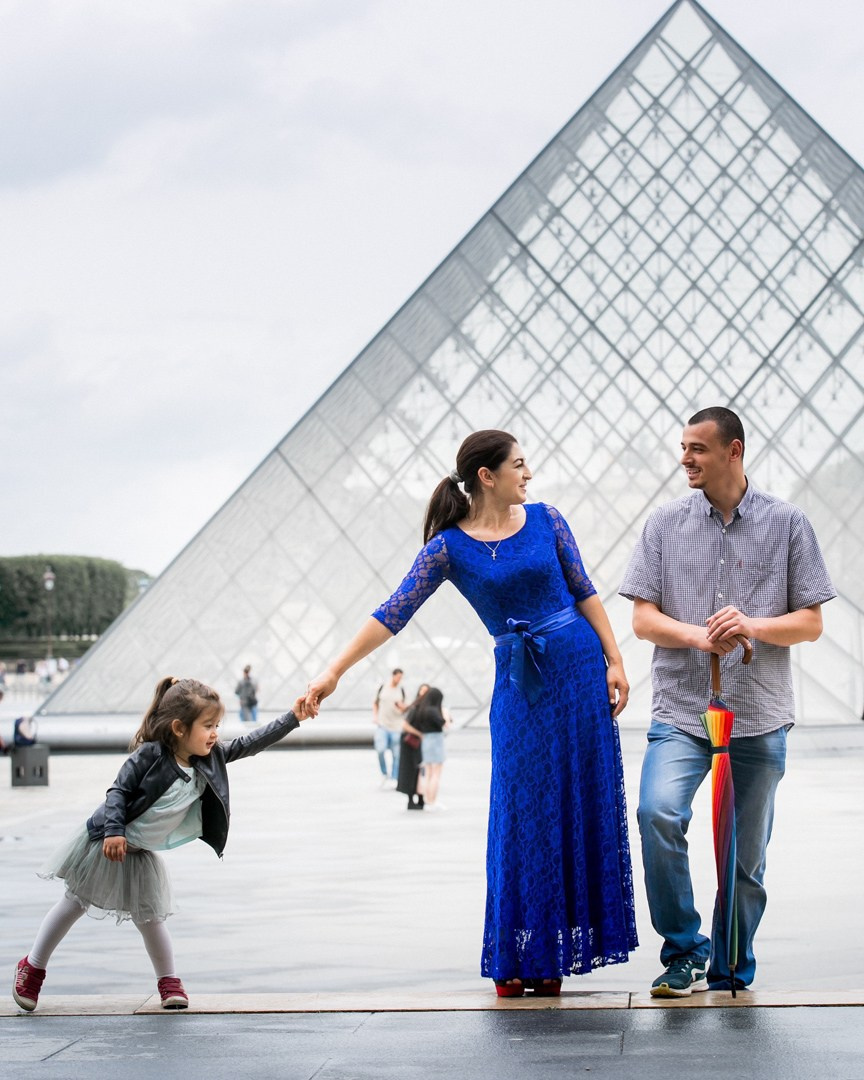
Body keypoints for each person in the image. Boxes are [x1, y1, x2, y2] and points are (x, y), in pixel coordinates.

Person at [305, 429, 637, 996]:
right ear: (487, 476)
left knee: (574, 802)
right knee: (521, 812)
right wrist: (332, 672)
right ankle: (517, 951)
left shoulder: (549, 520)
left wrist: (615, 659)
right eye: (519, 465)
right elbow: (392, 612)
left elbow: (584, 591)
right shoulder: (447, 548)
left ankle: (551, 955)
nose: (528, 474)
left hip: (580, 673)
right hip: (520, 687)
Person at [619, 407, 835, 997]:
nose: (685, 458)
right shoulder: (664, 524)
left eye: (697, 448)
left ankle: (732, 966)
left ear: (733, 451)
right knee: (657, 813)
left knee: (746, 857)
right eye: (683, 447)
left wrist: (751, 625)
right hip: (681, 711)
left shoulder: (788, 524)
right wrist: (700, 635)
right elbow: (642, 619)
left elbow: (811, 623)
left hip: (759, 714)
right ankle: (685, 951)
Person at [13, 676, 306, 1013]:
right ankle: (32, 966)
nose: (215, 734)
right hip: (108, 840)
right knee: (74, 903)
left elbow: (250, 742)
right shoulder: (150, 755)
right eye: (208, 726)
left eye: (217, 726)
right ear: (179, 728)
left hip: (139, 852)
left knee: (151, 918)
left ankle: (169, 981)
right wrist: (114, 831)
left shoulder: (209, 758)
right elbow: (118, 792)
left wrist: (293, 717)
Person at [411, 686, 451, 812]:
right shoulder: (433, 711)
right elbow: (444, 723)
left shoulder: (422, 710)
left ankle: (427, 801)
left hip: (426, 740)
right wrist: (445, 714)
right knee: (436, 773)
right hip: (436, 740)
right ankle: (432, 801)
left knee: (428, 773)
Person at [397, 683, 429, 810]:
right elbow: (404, 725)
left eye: (426, 691)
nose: (423, 693)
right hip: (410, 743)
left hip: (415, 742)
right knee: (411, 770)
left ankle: (419, 798)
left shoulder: (423, 707)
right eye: (422, 690)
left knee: (419, 770)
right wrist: (419, 734)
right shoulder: (416, 707)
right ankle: (411, 800)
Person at [372, 668, 406, 785]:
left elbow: (406, 708)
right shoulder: (382, 688)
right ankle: (384, 773)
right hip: (382, 725)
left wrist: (401, 706)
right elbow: (375, 703)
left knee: (396, 754)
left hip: (397, 726)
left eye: (401, 678)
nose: (399, 679)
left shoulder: (401, 690)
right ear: (393, 676)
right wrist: (375, 717)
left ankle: (394, 777)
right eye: (398, 677)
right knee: (380, 749)